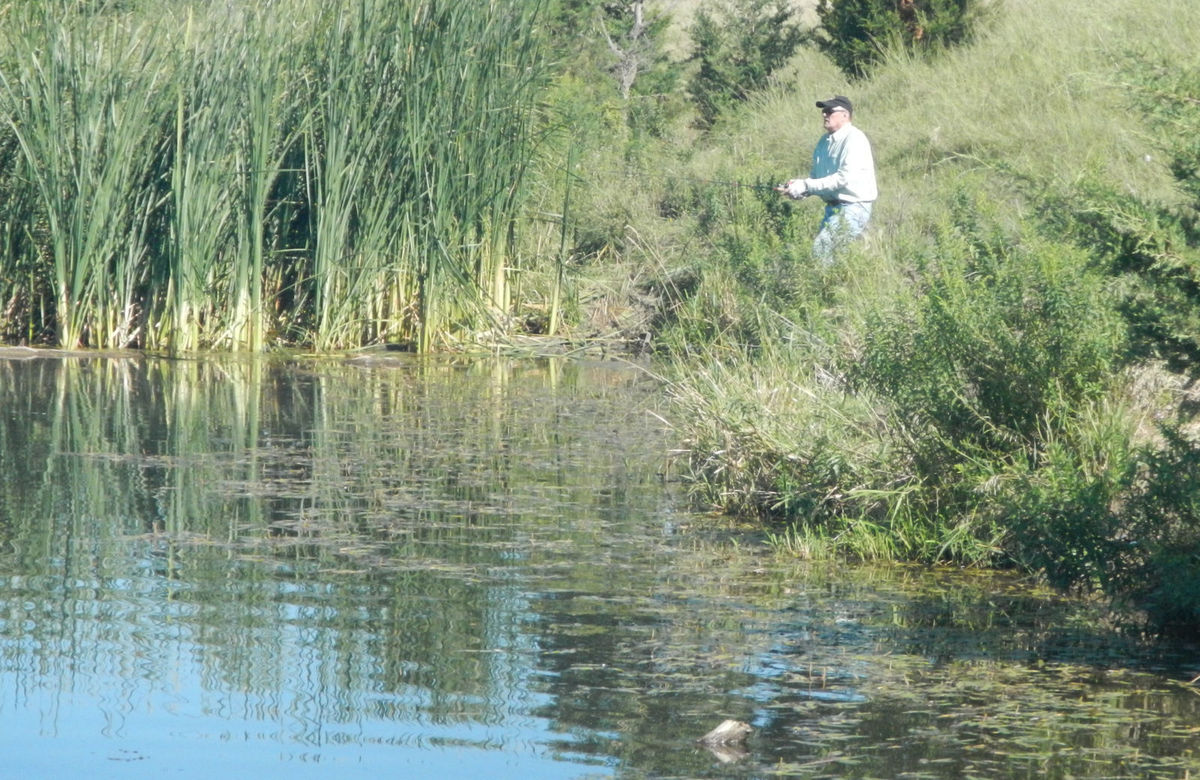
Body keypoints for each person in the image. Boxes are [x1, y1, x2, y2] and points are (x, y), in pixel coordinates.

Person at [776, 95, 877, 263]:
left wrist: (806, 185)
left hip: (854, 207)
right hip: (833, 209)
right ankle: (835, 287)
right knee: (832, 258)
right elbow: (817, 177)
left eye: (829, 111)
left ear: (845, 115)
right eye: (823, 111)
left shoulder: (855, 139)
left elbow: (843, 179)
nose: (824, 115)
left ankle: (822, 288)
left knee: (821, 251)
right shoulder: (823, 142)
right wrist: (799, 190)